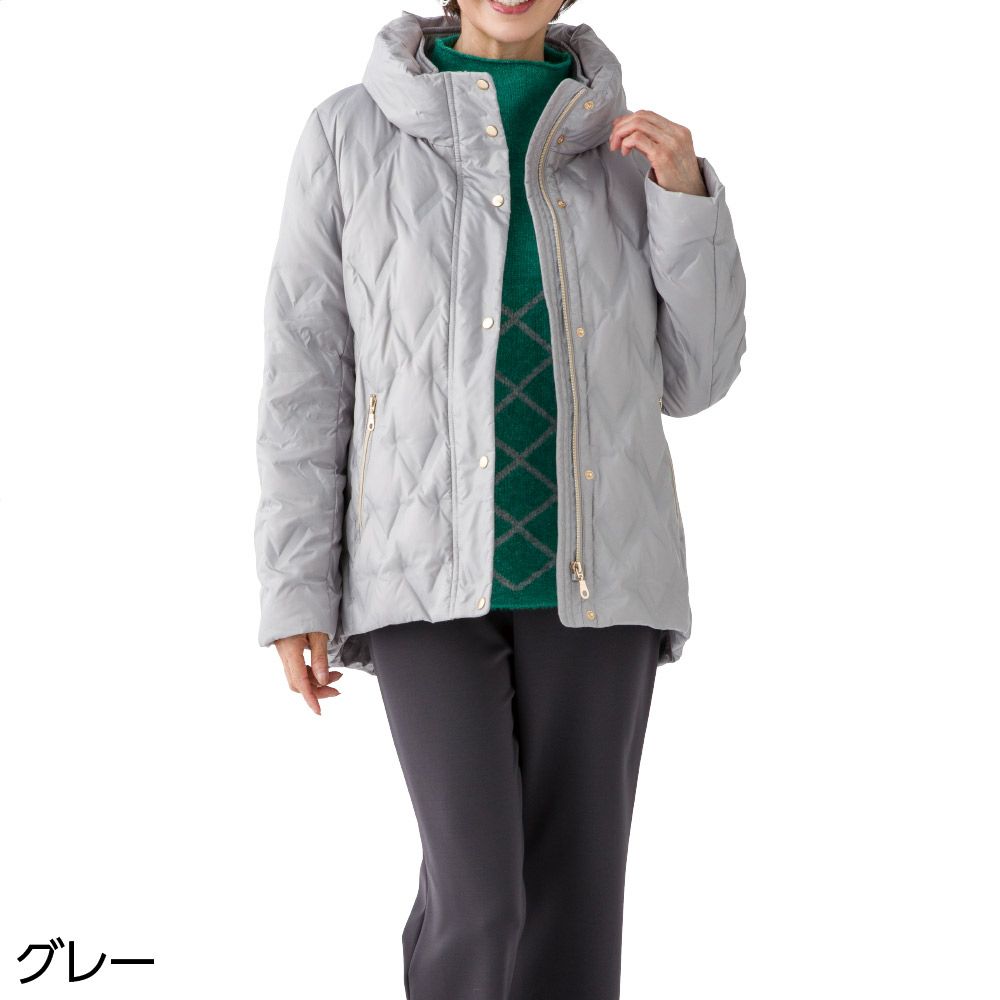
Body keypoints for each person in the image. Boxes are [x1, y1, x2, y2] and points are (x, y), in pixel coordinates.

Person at [254, 2, 747, 997]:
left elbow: (697, 379)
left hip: (601, 576)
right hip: (419, 574)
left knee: (575, 908)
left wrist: (686, 201)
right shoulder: (349, 134)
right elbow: (306, 371)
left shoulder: (631, 150)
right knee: (479, 900)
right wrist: (295, 586)